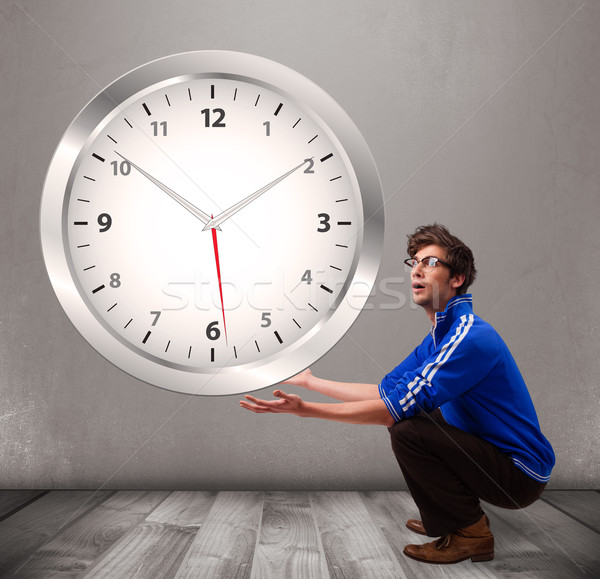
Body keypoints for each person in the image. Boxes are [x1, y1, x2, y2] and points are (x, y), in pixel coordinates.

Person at [240, 223, 555, 565]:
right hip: (492, 456)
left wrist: (307, 410)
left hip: (519, 474)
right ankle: (448, 518)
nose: (417, 269)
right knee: (417, 419)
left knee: (409, 429)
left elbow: (391, 410)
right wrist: (312, 382)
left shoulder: (468, 338)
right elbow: (384, 391)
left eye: (430, 262)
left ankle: (471, 533)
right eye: (414, 262)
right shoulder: (440, 336)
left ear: (457, 279)